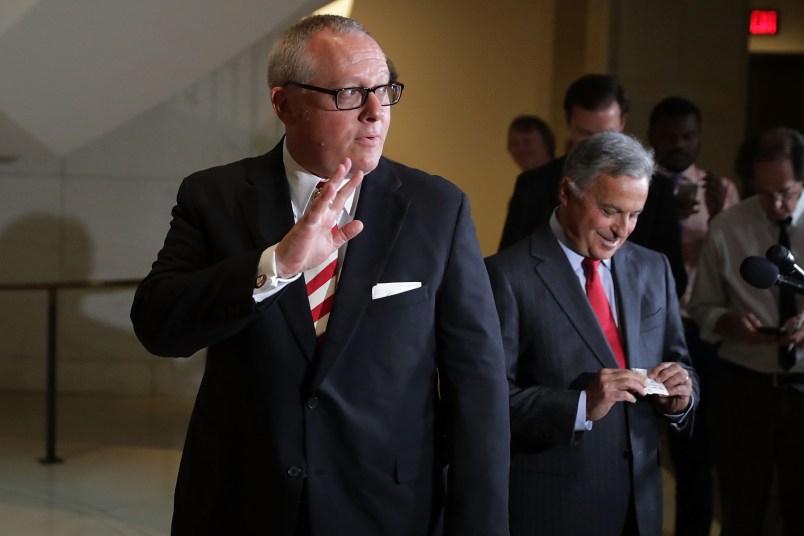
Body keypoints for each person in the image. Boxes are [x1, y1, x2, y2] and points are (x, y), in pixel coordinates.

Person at [130, 14, 510, 536]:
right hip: (242, 502)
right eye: (350, 94)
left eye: (384, 90)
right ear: (285, 104)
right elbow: (159, 326)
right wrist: (275, 267)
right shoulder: (213, 196)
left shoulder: (435, 208)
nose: (376, 113)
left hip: (385, 506)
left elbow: (478, 384)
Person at [486, 131, 698, 536]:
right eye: (610, 210)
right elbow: (488, 400)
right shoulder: (503, 276)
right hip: (555, 509)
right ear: (567, 192)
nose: (623, 229)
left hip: (643, 508)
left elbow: (681, 362)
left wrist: (681, 397)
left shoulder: (655, 268)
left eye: (635, 215)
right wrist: (580, 405)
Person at [688, 127, 804, 536]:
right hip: (745, 387)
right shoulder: (729, 226)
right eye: (764, 191)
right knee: (742, 511)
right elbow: (700, 306)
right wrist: (730, 323)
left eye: (786, 193)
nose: (775, 204)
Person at [498, 74, 687, 297]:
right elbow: (510, 269)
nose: (597, 145)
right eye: (585, 134)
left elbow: (671, 279)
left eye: (606, 134)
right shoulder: (534, 184)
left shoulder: (655, 189)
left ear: (623, 122)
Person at [647, 96, 740, 536]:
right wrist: (665, 217)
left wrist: (720, 217)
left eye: (688, 136)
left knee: (696, 454)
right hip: (647, 324)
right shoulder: (639, 184)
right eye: (670, 136)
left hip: (697, 328)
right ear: (653, 136)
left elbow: (737, 264)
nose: (680, 145)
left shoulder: (718, 188)